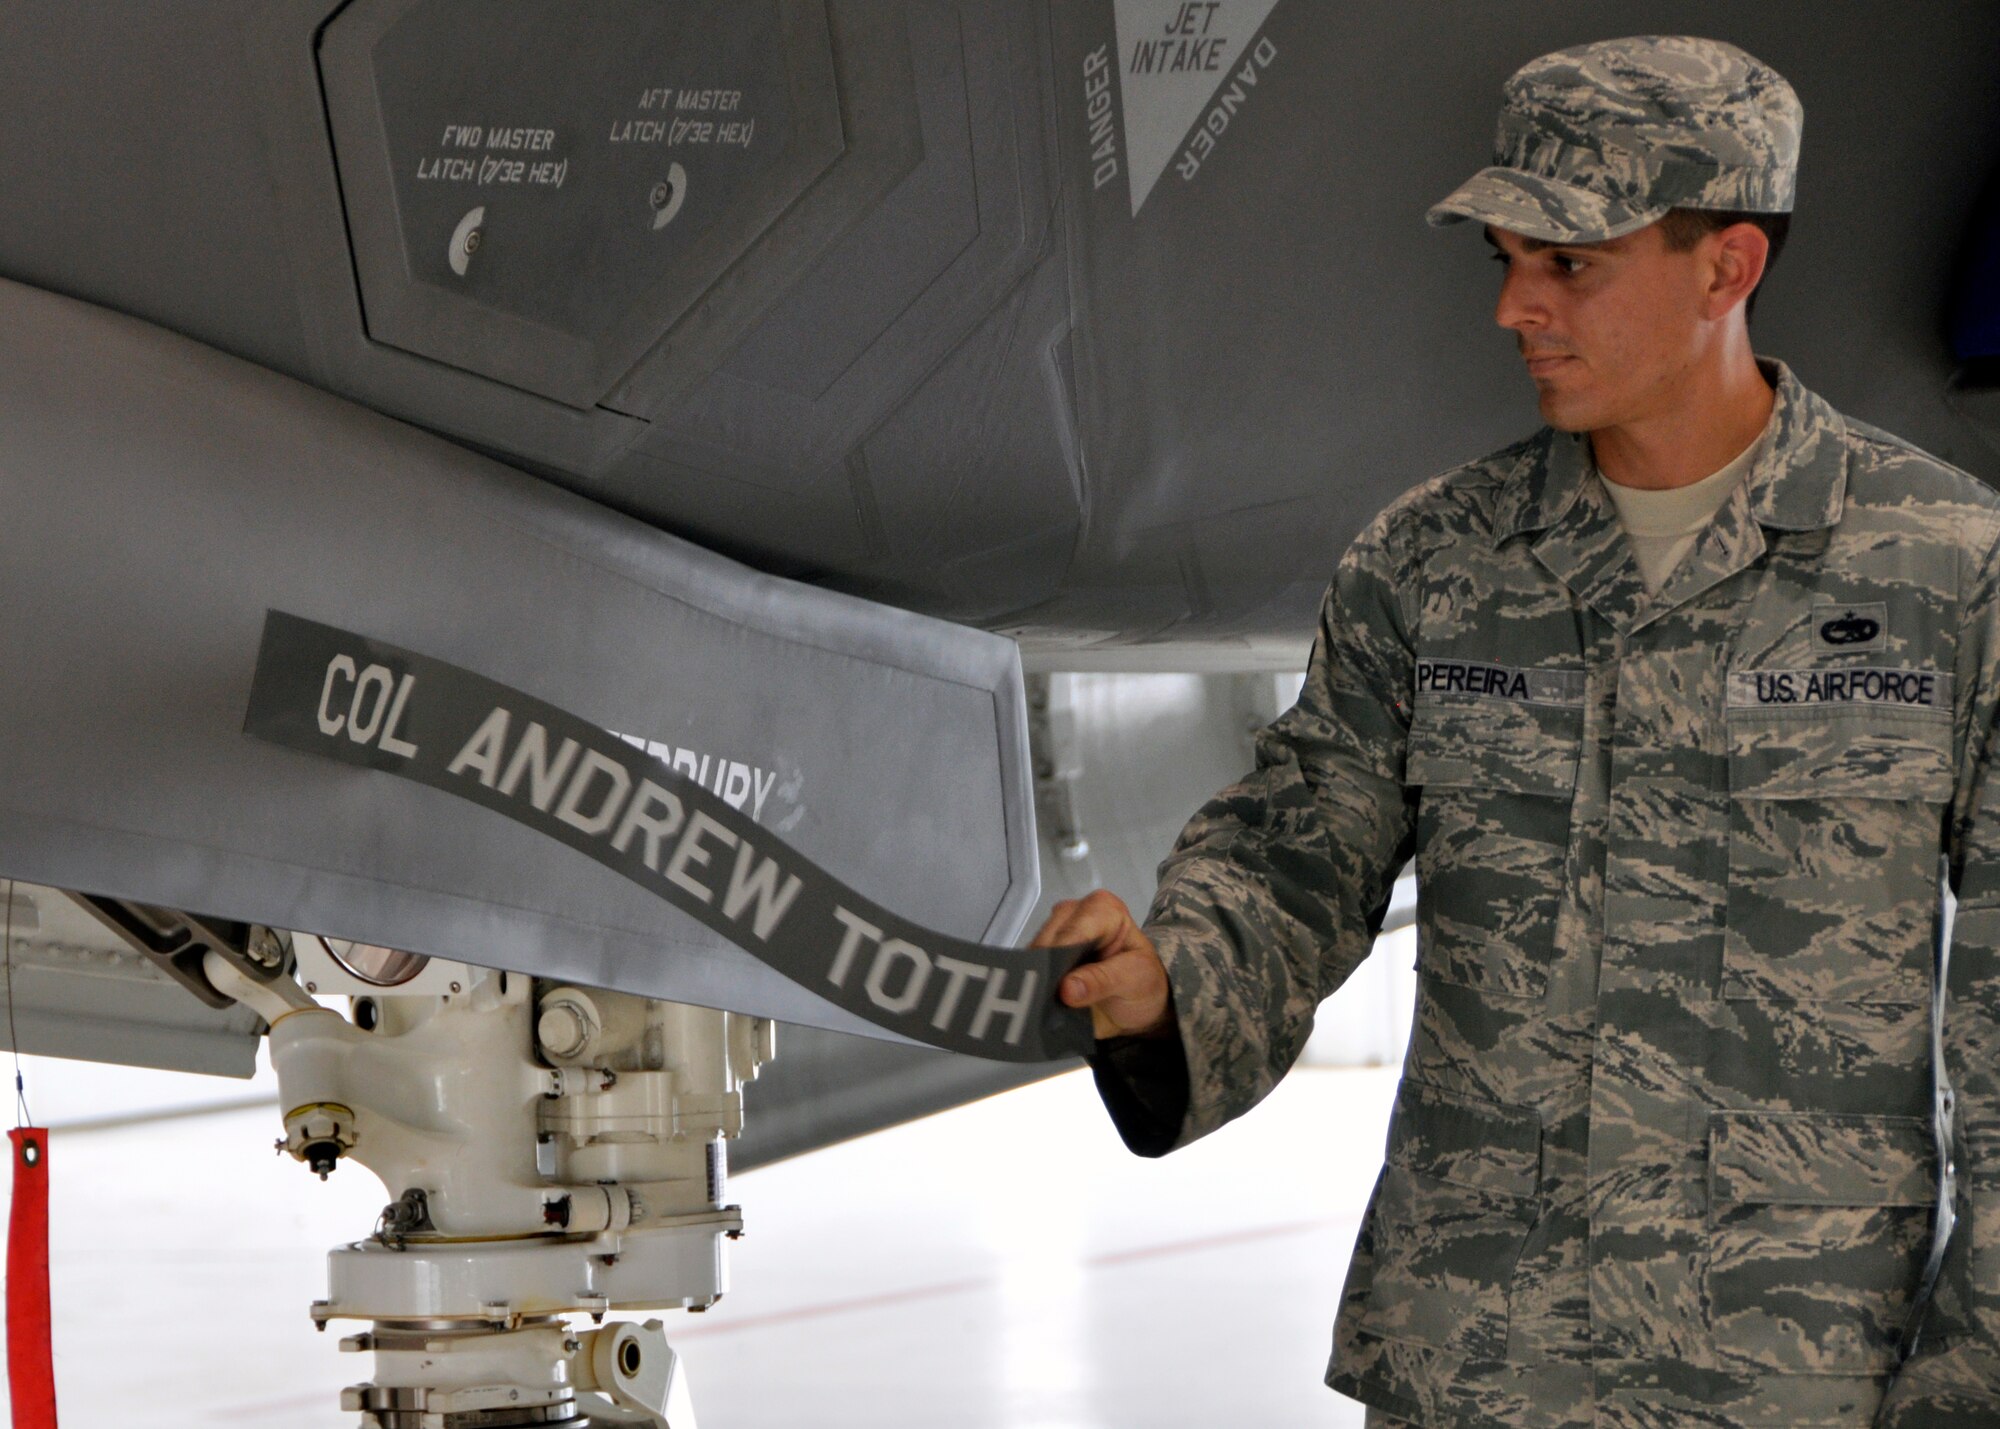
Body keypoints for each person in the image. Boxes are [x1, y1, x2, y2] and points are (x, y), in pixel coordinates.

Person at [1031, 35, 2000, 1429]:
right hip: (1481, 1362)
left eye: (1570, 264)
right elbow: (1296, 857)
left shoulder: (1947, 573)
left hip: (1797, 1378)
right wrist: (1168, 982)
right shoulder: (1434, 563)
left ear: (1727, 267)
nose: (1516, 308)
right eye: (1505, 259)